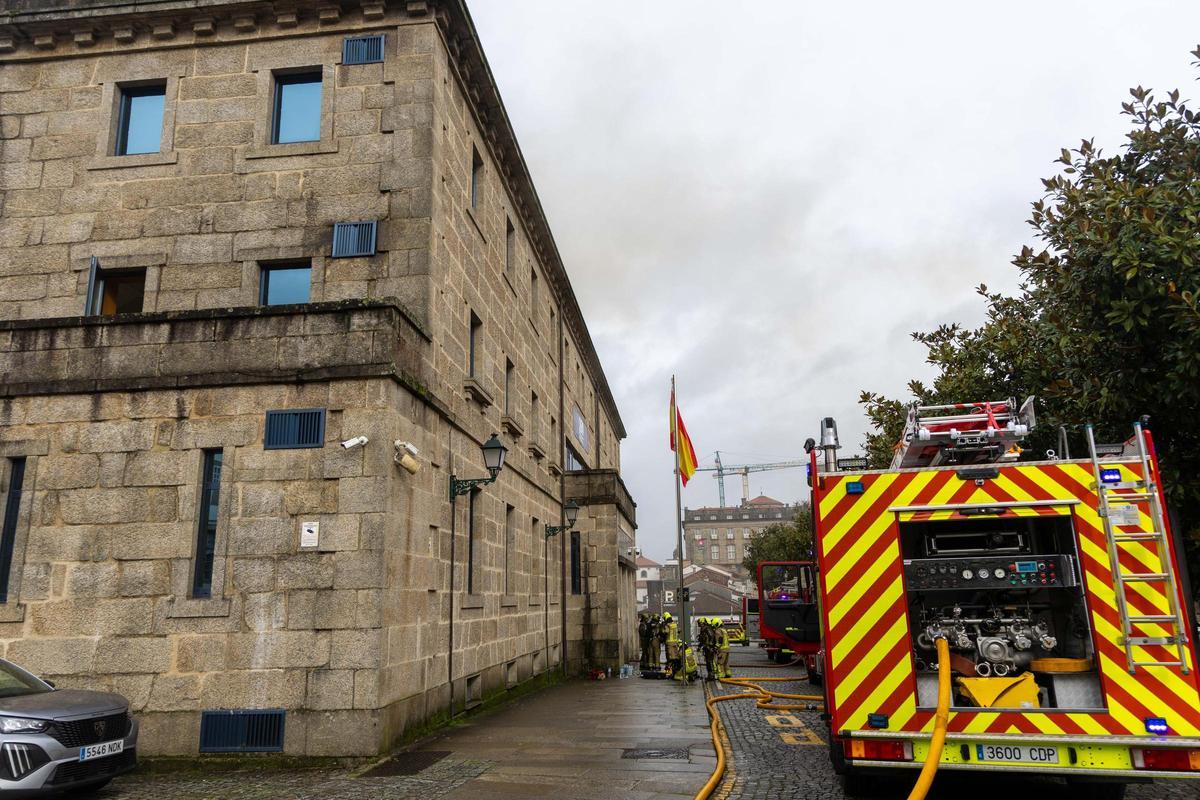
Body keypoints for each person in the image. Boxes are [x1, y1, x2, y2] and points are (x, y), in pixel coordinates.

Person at [663, 612, 680, 678]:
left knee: (670, 658)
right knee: (676, 657)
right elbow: (678, 631)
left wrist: (663, 630)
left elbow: (666, 632)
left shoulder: (668, 625)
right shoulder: (674, 624)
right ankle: (676, 671)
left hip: (670, 643)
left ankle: (669, 673)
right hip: (675, 642)